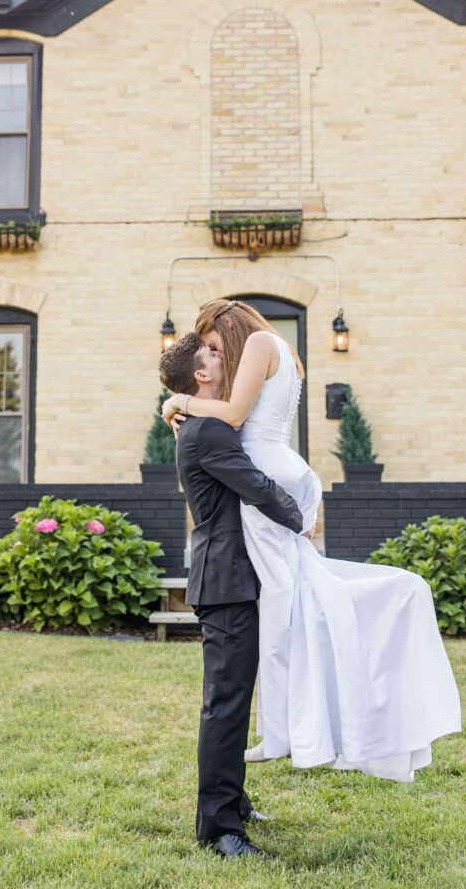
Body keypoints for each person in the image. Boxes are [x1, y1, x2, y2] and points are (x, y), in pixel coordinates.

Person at [162, 300, 462, 782]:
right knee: (294, 605)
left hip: (269, 472)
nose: (216, 355)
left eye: (215, 344)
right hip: (272, 479)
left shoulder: (258, 345)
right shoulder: (260, 363)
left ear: (229, 326)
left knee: (286, 611)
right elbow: (231, 421)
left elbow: (236, 418)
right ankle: (286, 730)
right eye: (210, 353)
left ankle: (287, 730)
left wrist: (178, 402)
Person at [158, 331, 304, 858]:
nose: (225, 356)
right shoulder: (208, 433)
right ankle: (220, 829)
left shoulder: (201, 424)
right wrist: (300, 518)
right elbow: (256, 487)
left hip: (234, 575)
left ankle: (234, 801)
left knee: (235, 700)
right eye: (214, 354)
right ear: (201, 375)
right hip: (224, 579)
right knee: (224, 704)